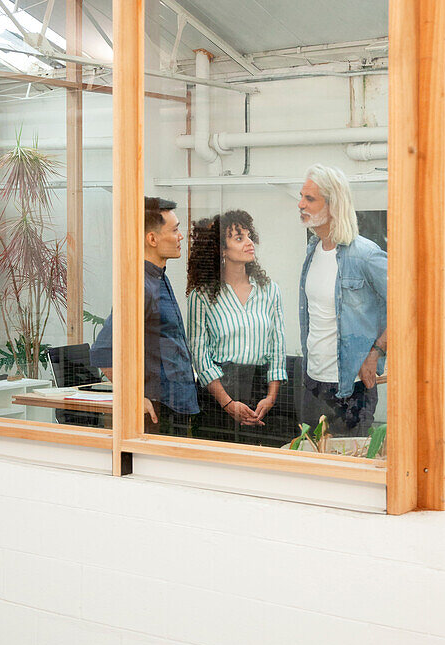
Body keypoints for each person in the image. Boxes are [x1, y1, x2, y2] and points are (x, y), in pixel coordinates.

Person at [90, 196, 198, 435]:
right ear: (152, 238)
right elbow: (103, 351)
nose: (181, 236)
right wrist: (134, 397)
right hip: (157, 410)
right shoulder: (140, 286)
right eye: (175, 229)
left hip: (176, 406)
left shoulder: (158, 278)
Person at [297, 165, 387, 438]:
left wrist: (376, 352)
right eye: (301, 197)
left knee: (346, 470)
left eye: (309, 199)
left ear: (334, 205)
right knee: (312, 468)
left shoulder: (365, 255)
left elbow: (407, 306)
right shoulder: (312, 250)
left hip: (351, 390)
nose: (300, 204)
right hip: (313, 383)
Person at [187, 210, 287, 446]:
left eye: (249, 236)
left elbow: (278, 349)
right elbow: (200, 356)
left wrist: (270, 398)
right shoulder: (201, 296)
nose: (250, 243)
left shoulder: (270, 291)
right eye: (239, 238)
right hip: (218, 395)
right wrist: (228, 404)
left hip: (261, 394)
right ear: (221, 250)